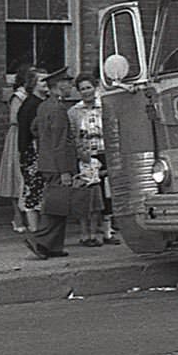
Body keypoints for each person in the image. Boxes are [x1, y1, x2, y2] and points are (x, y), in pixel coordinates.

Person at [24, 70, 78, 259]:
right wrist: (65, 170)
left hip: (46, 161)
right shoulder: (58, 109)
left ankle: (53, 247)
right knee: (56, 206)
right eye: (69, 83)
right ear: (60, 85)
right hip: (57, 164)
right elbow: (61, 141)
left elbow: (34, 129)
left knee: (59, 206)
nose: (71, 87)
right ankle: (39, 240)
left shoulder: (45, 106)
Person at [69, 73, 115, 246]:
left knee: (107, 194)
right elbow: (73, 136)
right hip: (87, 157)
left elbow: (113, 129)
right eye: (82, 89)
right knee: (88, 196)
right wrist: (81, 153)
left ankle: (107, 232)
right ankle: (86, 233)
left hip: (105, 153)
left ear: (95, 88)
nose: (86, 92)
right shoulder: (74, 112)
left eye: (88, 87)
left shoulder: (104, 107)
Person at [14, 65, 50, 235]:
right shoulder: (30, 106)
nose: (46, 83)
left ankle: (42, 229)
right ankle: (35, 229)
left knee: (42, 193)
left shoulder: (44, 103)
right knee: (33, 193)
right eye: (43, 80)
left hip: (42, 153)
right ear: (33, 84)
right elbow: (27, 134)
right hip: (32, 154)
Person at [0, 68, 31, 232]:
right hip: (19, 136)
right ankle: (17, 217)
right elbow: (14, 119)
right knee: (16, 176)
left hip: (31, 137)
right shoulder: (18, 96)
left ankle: (31, 216)